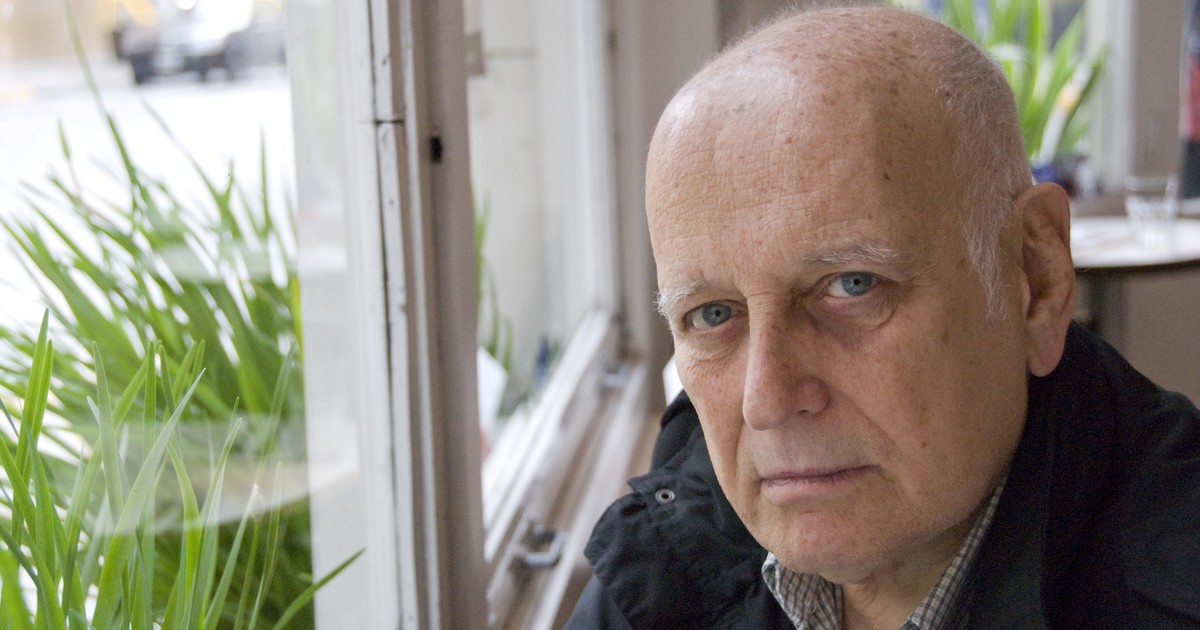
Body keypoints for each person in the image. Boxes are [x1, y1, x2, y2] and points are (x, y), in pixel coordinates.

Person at [566, 5, 1200, 629]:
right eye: (711, 315)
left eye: (853, 285)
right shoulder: (670, 557)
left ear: (1035, 280)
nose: (767, 400)